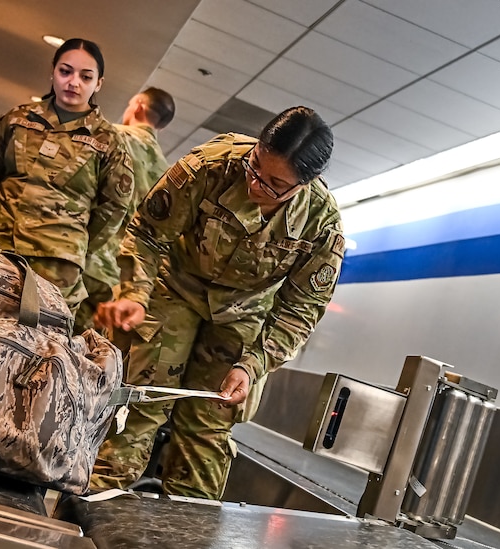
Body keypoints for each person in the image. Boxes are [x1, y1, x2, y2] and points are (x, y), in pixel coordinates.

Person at [89, 106, 345, 499]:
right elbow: (147, 234)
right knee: (141, 406)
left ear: (305, 185)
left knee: (207, 429)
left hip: (242, 313)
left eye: (275, 184)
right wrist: (136, 295)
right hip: (174, 289)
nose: (257, 185)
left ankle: (185, 530)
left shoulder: (321, 226)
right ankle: (88, 507)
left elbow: (300, 309)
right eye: (256, 166)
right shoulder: (209, 167)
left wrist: (254, 364)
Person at [0, 38, 134, 319]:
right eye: (65, 71)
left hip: (57, 261)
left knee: (35, 343)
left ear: (99, 84)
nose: (73, 82)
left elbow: (113, 209)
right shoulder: (17, 119)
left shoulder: (109, 142)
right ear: (52, 72)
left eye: (86, 76)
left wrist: (72, 242)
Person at [73, 87, 175, 331]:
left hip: (82, 258)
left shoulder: (113, 137)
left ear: (138, 105)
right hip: (117, 278)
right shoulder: (169, 172)